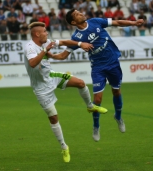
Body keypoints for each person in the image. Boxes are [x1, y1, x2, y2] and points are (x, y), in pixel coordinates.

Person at [51, 9, 144, 142]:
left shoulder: (95, 22)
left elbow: (117, 22)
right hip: (98, 68)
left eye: (80, 12)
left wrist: (133, 23)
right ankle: (96, 126)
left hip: (113, 63)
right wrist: (51, 56)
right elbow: (63, 55)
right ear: (73, 22)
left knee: (116, 91)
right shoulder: (76, 37)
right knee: (98, 100)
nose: (82, 13)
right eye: (77, 14)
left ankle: (118, 116)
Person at [23, 22, 108, 162]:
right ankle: (64, 147)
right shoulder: (30, 47)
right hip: (41, 88)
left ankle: (90, 106)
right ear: (37, 34)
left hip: (51, 77)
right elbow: (32, 63)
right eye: (44, 31)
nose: (47, 34)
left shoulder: (46, 43)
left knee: (80, 83)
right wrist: (45, 51)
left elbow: (63, 41)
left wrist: (80, 44)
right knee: (53, 118)